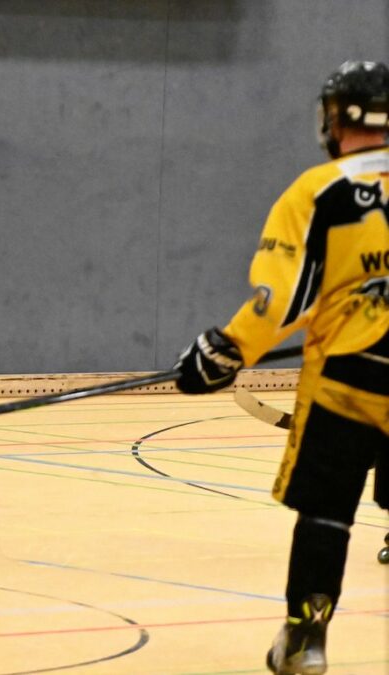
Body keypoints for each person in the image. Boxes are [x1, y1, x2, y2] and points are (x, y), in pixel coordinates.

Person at [173, 60, 388, 674]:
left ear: (336, 116)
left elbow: (284, 299)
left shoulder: (320, 190)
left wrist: (224, 351)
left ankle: (305, 640)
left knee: (326, 510)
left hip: (351, 376)